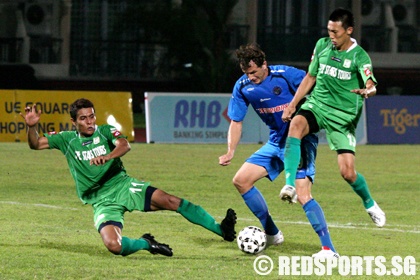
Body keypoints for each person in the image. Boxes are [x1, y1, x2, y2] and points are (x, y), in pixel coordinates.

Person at [21, 98, 237, 257]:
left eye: (92, 116)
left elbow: (124, 145)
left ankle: (222, 230)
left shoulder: (105, 131)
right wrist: (32, 127)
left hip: (123, 185)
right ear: (73, 121)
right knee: (113, 246)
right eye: (84, 118)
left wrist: (108, 156)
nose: (90, 122)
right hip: (101, 200)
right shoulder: (66, 139)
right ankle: (146, 243)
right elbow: (35, 144)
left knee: (172, 201)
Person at [219, 43, 338, 258]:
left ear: (264, 64)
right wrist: (230, 151)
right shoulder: (243, 86)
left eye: (254, 72)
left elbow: (316, 86)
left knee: (302, 194)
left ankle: (329, 249)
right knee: (241, 180)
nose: (251, 77)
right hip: (275, 142)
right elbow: (236, 121)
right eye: (246, 73)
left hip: (300, 140)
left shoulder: (286, 75)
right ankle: (272, 234)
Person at [280, 8, 386, 228]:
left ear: (349, 31)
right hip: (317, 105)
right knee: (296, 125)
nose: (331, 36)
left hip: (342, 117)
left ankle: (369, 203)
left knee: (347, 172)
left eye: (336, 32)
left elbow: (371, 83)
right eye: (329, 31)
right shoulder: (322, 46)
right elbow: (311, 76)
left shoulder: (359, 56)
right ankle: (290, 185)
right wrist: (292, 105)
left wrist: (368, 91)